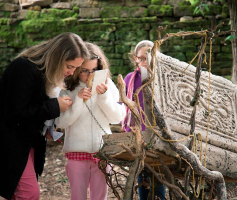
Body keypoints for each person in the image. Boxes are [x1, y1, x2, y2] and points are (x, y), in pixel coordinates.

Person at [0, 32, 90, 200]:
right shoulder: (24, 68)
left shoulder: (45, 71)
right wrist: (55, 106)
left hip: (25, 140)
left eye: (75, 68)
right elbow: (16, 113)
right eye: (69, 66)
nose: (72, 72)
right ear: (57, 57)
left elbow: (34, 108)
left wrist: (48, 127)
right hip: (8, 140)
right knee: (28, 194)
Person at [55, 42, 126, 200]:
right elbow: (61, 123)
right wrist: (79, 100)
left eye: (94, 70)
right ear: (76, 69)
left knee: (100, 197)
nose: (89, 75)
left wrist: (104, 96)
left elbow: (118, 117)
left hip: (102, 152)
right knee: (78, 197)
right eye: (84, 71)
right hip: (76, 153)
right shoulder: (67, 89)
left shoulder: (108, 86)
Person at [121, 40, 166, 200]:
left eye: (148, 57)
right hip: (137, 134)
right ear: (135, 58)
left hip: (157, 134)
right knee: (141, 175)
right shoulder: (130, 79)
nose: (144, 61)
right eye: (141, 58)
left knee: (159, 175)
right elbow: (122, 104)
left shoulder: (161, 79)